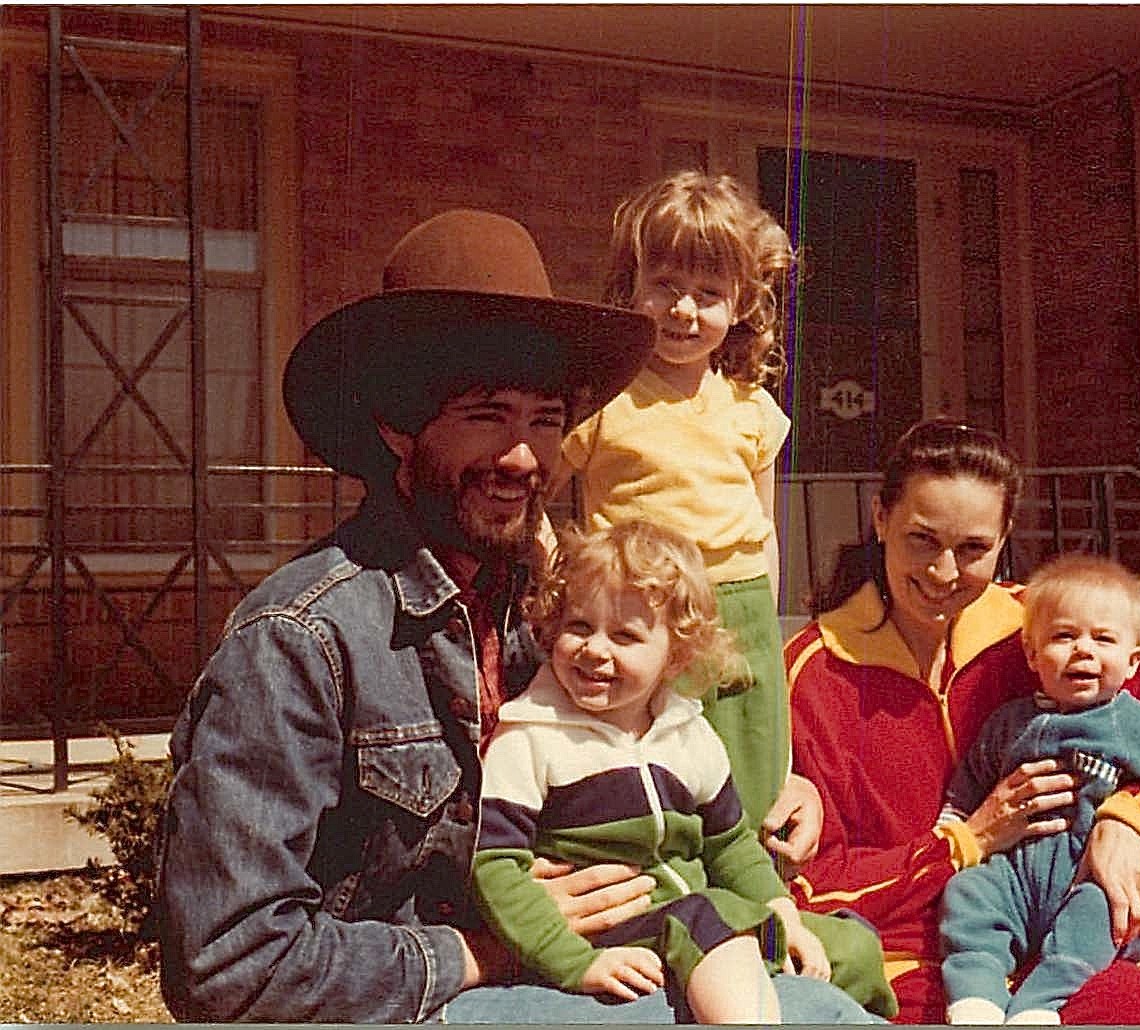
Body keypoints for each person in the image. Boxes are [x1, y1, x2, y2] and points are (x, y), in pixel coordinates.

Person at [156, 208, 876, 1024]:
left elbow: (652, 745)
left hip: (597, 958)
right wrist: (488, 948)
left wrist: (786, 782)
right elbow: (229, 966)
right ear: (398, 426)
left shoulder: (541, 607)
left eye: (544, 421)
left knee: (838, 979)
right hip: (418, 1005)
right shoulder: (300, 639)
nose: (523, 457)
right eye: (485, 415)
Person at [783, 418, 1140, 1025]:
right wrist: (965, 841)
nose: (944, 572)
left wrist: (1128, 819)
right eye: (922, 540)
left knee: (1130, 1010)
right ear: (880, 518)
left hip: (1060, 949)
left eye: (972, 549)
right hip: (909, 964)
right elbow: (816, 887)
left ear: (1004, 539)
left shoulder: (1042, 630)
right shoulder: (812, 673)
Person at [472, 520, 834, 1023]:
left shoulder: (687, 733)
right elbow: (494, 867)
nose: (596, 649)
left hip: (688, 916)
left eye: (625, 635)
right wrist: (575, 961)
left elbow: (729, 843)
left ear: (675, 655)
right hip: (607, 930)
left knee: (848, 943)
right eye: (578, 626)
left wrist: (782, 909)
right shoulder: (532, 734)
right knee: (707, 918)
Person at [558, 170, 798, 840]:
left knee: (745, 768)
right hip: (642, 610)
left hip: (740, 607)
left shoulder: (750, 408)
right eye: (665, 285)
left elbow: (764, 530)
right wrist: (575, 574)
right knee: (652, 764)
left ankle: (750, 892)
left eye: (709, 294)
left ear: (740, 305)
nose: (684, 310)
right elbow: (540, 500)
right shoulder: (604, 400)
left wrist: (766, 631)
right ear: (630, 287)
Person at [939, 552, 1140, 1024]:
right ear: (1031, 654)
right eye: (1064, 636)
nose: (1083, 650)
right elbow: (967, 789)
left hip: (1094, 880)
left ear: (1132, 662)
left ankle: (1038, 1007)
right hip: (1016, 877)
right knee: (968, 894)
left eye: (1102, 639)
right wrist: (950, 834)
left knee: (1099, 916)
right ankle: (977, 999)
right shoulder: (1008, 724)